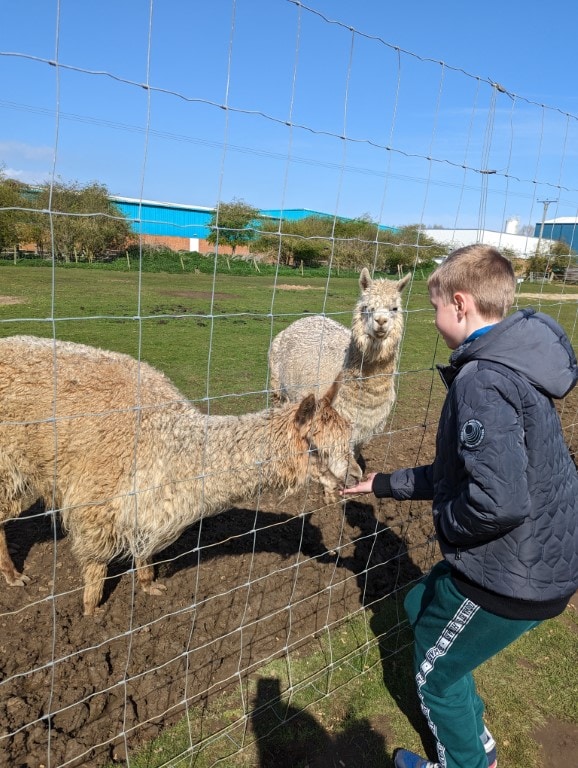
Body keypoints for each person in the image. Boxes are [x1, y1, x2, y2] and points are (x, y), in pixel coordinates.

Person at [341, 244, 578, 768]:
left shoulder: (481, 381)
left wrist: (446, 522)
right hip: (539, 556)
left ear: (461, 304)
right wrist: (383, 484)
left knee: (435, 674)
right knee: (416, 606)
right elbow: (463, 474)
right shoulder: (512, 363)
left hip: (513, 573)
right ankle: (478, 744)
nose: (431, 318)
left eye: (432, 308)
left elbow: (498, 501)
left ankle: (466, 762)